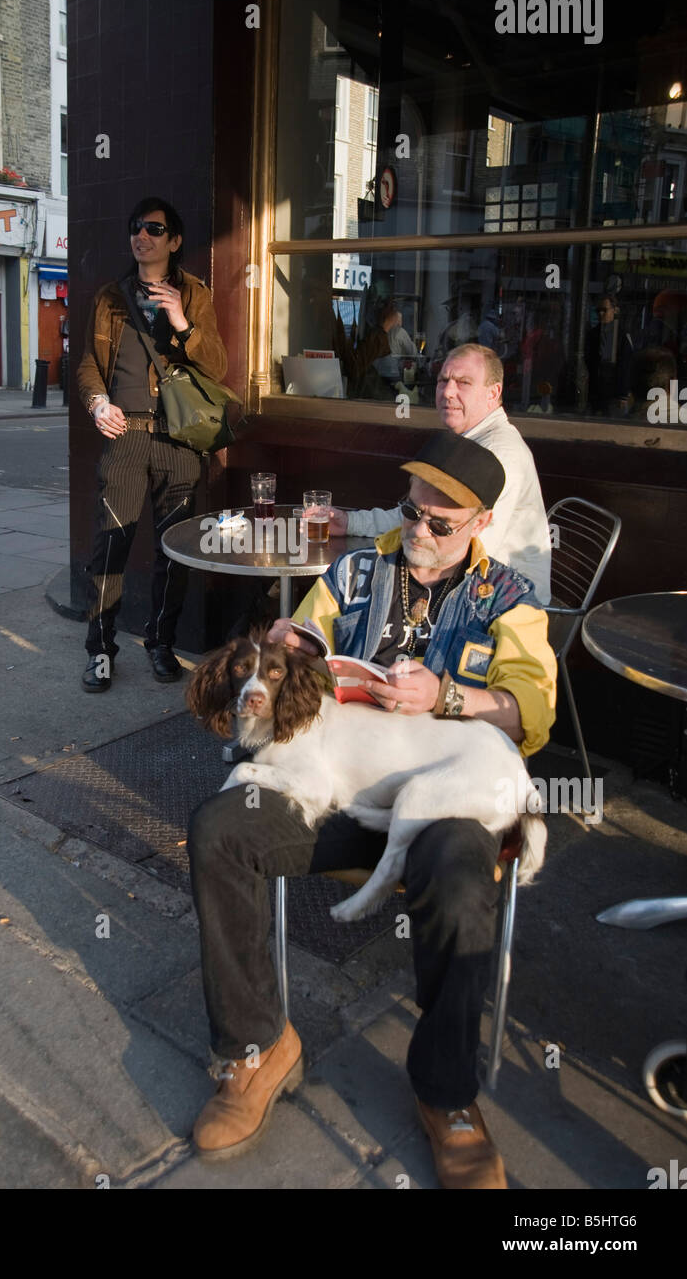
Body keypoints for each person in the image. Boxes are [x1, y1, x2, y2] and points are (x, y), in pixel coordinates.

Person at [187, 431, 557, 1188]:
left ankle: (444, 1093)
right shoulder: (357, 567)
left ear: (479, 523)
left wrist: (449, 697)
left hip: (439, 796)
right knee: (217, 830)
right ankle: (257, 1047)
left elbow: (533, 709)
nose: (416, 531)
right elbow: (305, 637)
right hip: (322, 780)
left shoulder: (510, 599)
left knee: (458, 875)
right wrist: (289, 639)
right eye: (410, 511)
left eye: (438, 523)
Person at [77, 196, 229, 690]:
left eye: (154, 229)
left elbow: (218, 368)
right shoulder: (110, 297)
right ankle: (100, 649)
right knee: (111, 545)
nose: (142, 236)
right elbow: (86, 365)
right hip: (126, 438)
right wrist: (98, 403)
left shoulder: (195, 294)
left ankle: (161, 643)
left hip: (178, 442)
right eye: (135, 227)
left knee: (174, 548)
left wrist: (183, 322)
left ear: (174, 241)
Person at [328, 342, 552, 605]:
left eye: (463, 383)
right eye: (443, 380)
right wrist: (351, 523)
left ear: (494, 393)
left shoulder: (497, 456)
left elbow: (467, 552)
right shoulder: (466, 442)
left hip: (502, 605)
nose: (447, 392)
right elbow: (421, 516)